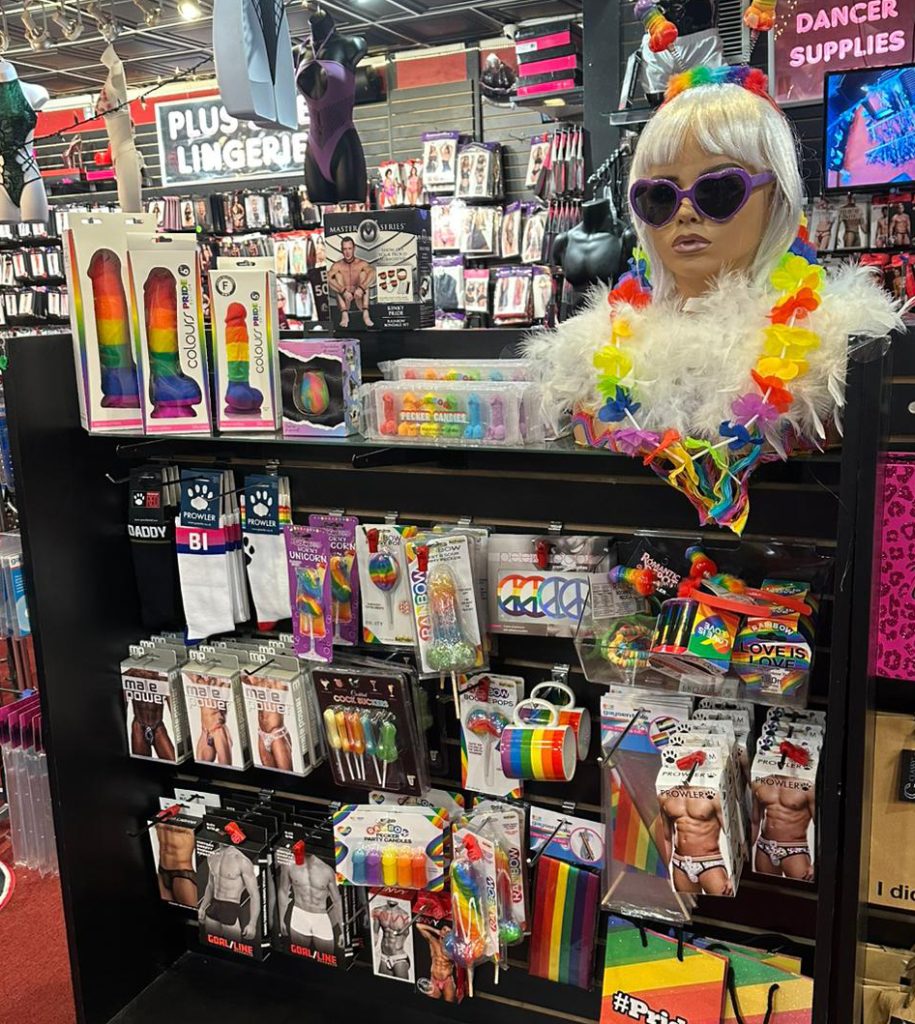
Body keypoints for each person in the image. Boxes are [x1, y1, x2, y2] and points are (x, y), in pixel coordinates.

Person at [526, 65, 903, 532]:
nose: (684, 212)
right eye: (659, 197)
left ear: (777, 197)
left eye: (718, 190)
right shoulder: (591, 354)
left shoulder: (835, 350)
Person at [656, 787, 733, 895]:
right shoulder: (665, 797)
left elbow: (733, 836)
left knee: (723, 908)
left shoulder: (714, 796)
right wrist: (661, 871)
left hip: (710, 863)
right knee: (689, 908)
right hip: (679, 863)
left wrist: (734, 875)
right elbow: (666, 838)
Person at [276, 847, 342, 955]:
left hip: (320, 917)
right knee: (299, 956)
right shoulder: (289, 865)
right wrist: (281, 919)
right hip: (299, 914)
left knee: (327, 959)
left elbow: (337, 901)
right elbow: (283, 891)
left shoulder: (327, 870)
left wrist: (342, 931)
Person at [751, 774, 815, 880]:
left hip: (795, 850)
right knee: (765, 892)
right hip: (764, 847)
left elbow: (823, 828)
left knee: (799, 892)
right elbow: (755, 821)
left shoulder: (807, 787)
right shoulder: (759, 784)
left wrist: (818, 864)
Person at [199, 844, 260, 943]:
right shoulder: (212, 856)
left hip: (230, 907)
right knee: (211, 943)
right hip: (214, 905)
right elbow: (210, 885)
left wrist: (252, 924)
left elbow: (254, 894)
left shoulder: (241, 860)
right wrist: (202, 907)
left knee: (234, 947)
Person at [327, 236, 375, 328]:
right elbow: (327, 278)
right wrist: (343, 291)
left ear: (354, 249)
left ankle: (365, 313)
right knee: (337, 276)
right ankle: (344, 314)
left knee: (364, 274)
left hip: (359, 299)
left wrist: (361, 288)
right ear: (341, 250)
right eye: (345, 249)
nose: (347, 252)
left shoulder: (361, 263)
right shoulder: (337, 265)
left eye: (350, 248)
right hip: (345, 301)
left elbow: (373, 273)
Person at [155, 822, 197, 908]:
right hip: (162, 870)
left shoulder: (191, 815)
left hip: (182, 874)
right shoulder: (160, 812)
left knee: (191, 914)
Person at [372, 898, 412, 979]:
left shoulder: (405, 915)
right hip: (384, 957)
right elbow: (375, 934)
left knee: (402, 987)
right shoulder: (378, 912)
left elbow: (406, 934)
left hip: (398, 958)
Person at [416, 922, 457, 1001]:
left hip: (447, 980)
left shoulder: (453, 948)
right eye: (444, 929)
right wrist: (435, 930)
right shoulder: (433, 941)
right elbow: (418, 926)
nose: (445, 932)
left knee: (450, 1005)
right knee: (432, 1005)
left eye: (448, 932)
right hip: (434, 979)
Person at [130, 693, 175, 760]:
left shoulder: (162, 682)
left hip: (157, 726)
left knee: (173, 761)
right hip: (139, 726)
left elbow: (171, 700)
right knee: (141, 767)